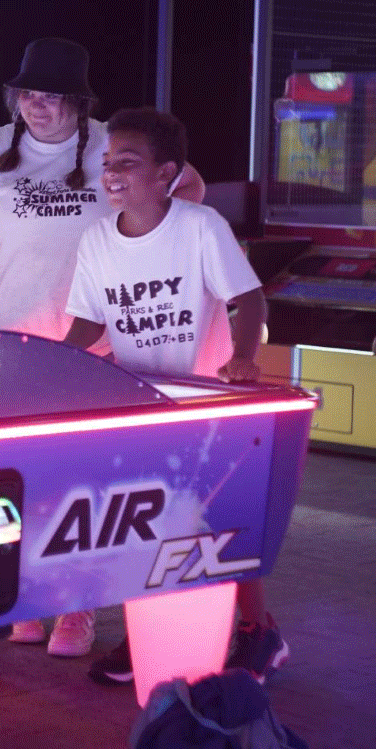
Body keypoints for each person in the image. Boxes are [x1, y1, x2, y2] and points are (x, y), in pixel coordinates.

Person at [0, 37, 203, 659]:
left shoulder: (114, 146)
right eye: (28, 94)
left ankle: (77, 609)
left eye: (52, 97)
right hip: (11, 343)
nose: (37, 107)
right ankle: (26, 597)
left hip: (99, 345)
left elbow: (185, 186)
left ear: (79, 102)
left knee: (84, 483)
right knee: (14, 479)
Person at [60, 107, 286, 686]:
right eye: (107, 163)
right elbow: (88, 324)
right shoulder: (95, 241)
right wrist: (54, 363)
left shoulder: (199, 226)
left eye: (127, 164)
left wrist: (242, 359)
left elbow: (249, 298)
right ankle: (147, 638)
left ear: (166, 175)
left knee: (217, 523)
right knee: (145, 526)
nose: (111, 174)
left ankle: (258, 632)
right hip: (139, 405)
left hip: (202, 403)